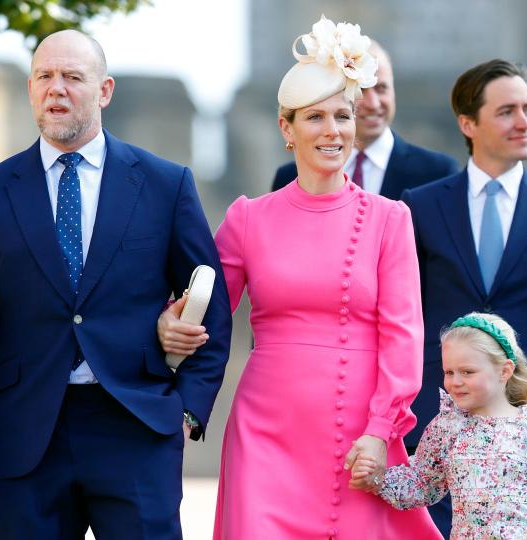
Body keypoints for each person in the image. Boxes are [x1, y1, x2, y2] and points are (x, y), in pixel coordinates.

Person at [0, 29, 232, 539]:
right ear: (29, 89)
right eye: (45, 76)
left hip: (136, 427)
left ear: (104, 90)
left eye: (72, 77)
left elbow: (212, 306)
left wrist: (187, 410)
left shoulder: (164, 184)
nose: (56, 89)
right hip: (26, 438)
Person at [159, 16, 439, 539]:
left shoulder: (390, 219)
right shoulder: (247, 217)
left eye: (343, 115)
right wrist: (169, 326)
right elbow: (208, 312)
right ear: (287, 129)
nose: (333, 131)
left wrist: (382, 431)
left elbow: (403, 337)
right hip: (266, 432)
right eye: (315, 117)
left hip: (360, 433)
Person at [399, 59, 527, 536]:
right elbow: (404, 313)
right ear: (468, 123)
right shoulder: (419, 205)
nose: (525, 122)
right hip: (438, 422)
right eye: (507, 111)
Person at [351, 312, 527, 538]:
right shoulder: (447, 428)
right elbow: (422, 483)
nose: (455, 381)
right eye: (449, 372)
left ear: (505, 371)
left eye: (467, 372)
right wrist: (376, 478)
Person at [270, 41, 458, 198]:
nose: (374, 103)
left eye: (382, 88)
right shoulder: (290, 177)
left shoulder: (438, 173)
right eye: (362, 90)